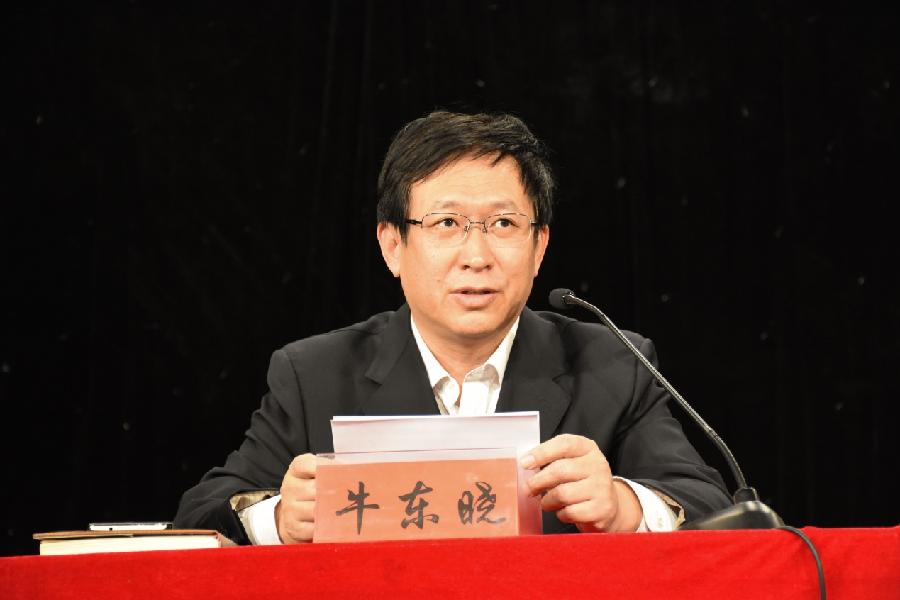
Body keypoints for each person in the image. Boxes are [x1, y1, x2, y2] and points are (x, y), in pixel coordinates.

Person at [174, 111, 730, 544]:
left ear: (539, 246)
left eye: (504, 223)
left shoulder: (612, 364)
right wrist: (276, 518)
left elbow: (715, 506)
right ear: (392, 245)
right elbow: (198, 517)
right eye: (446, 223)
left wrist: (624, 505)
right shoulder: (315, 374)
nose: (477, 256)